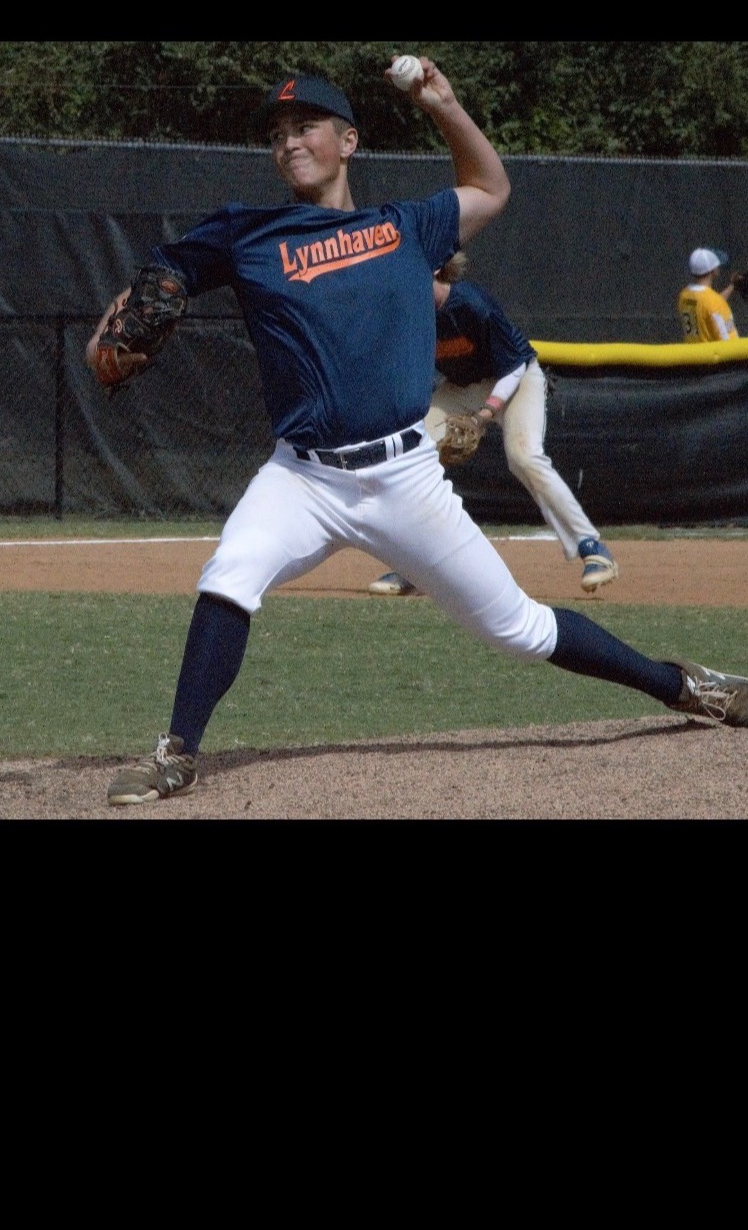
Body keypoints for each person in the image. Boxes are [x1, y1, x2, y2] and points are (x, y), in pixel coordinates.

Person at [85, 57, 748, 805]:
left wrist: (445, 106)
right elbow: (161, 277)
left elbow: (491, 188)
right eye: (277, 133)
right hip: (303, 476)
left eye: (306, 126)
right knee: (228, 576)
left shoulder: (403, 228)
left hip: (404, 476)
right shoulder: (248, 233)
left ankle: (687, 686)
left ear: (348, 141)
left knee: (521, 630)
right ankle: (176, 753)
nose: (290, 142)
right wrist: (111, 331)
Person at [369, 251, 618, 597]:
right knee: (412, 456)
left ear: (436, 271)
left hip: (516, 379)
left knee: (524, 456)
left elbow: (514, 366)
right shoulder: (411, 314)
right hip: (461, 388)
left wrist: (484, 415)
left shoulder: (472, 305)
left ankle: (592, 548)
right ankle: (415, 566)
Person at [678, 247, 739, 341]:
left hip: (692, 349)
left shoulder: (684, 296)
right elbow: (730, 341)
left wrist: (732, 286)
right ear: (713, 270)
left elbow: (705, 305)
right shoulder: (714, 302)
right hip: (713, 351)